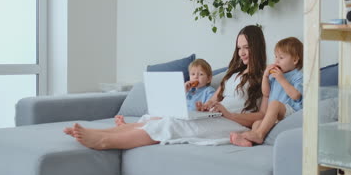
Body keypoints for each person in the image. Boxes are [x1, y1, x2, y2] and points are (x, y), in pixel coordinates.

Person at [63, 25, 268, 150]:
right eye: (239, 47)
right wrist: (206, 106)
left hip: (235, 123)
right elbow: (214, 100)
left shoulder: (265, 75)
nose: (241, 52)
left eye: (246, 47)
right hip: (217, 116)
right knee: (163, 117)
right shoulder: (232, 73)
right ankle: (101, 133)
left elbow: (261, 115)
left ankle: (104, 142)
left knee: (170, 124)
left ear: (257, 47)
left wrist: (228, 115)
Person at [230, 37, 303, 147]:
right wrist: (265, 76)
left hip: (290, 111)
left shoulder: (298, 75)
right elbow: (266, 93)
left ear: (295, 60)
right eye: (276, 57)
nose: (276, 61)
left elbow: (296, 96)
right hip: (275, 116)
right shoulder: (276, 74)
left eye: (281, 58)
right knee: (257, 123)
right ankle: (250, 140)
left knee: (274, 104)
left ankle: (259, 135)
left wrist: (281, 79)